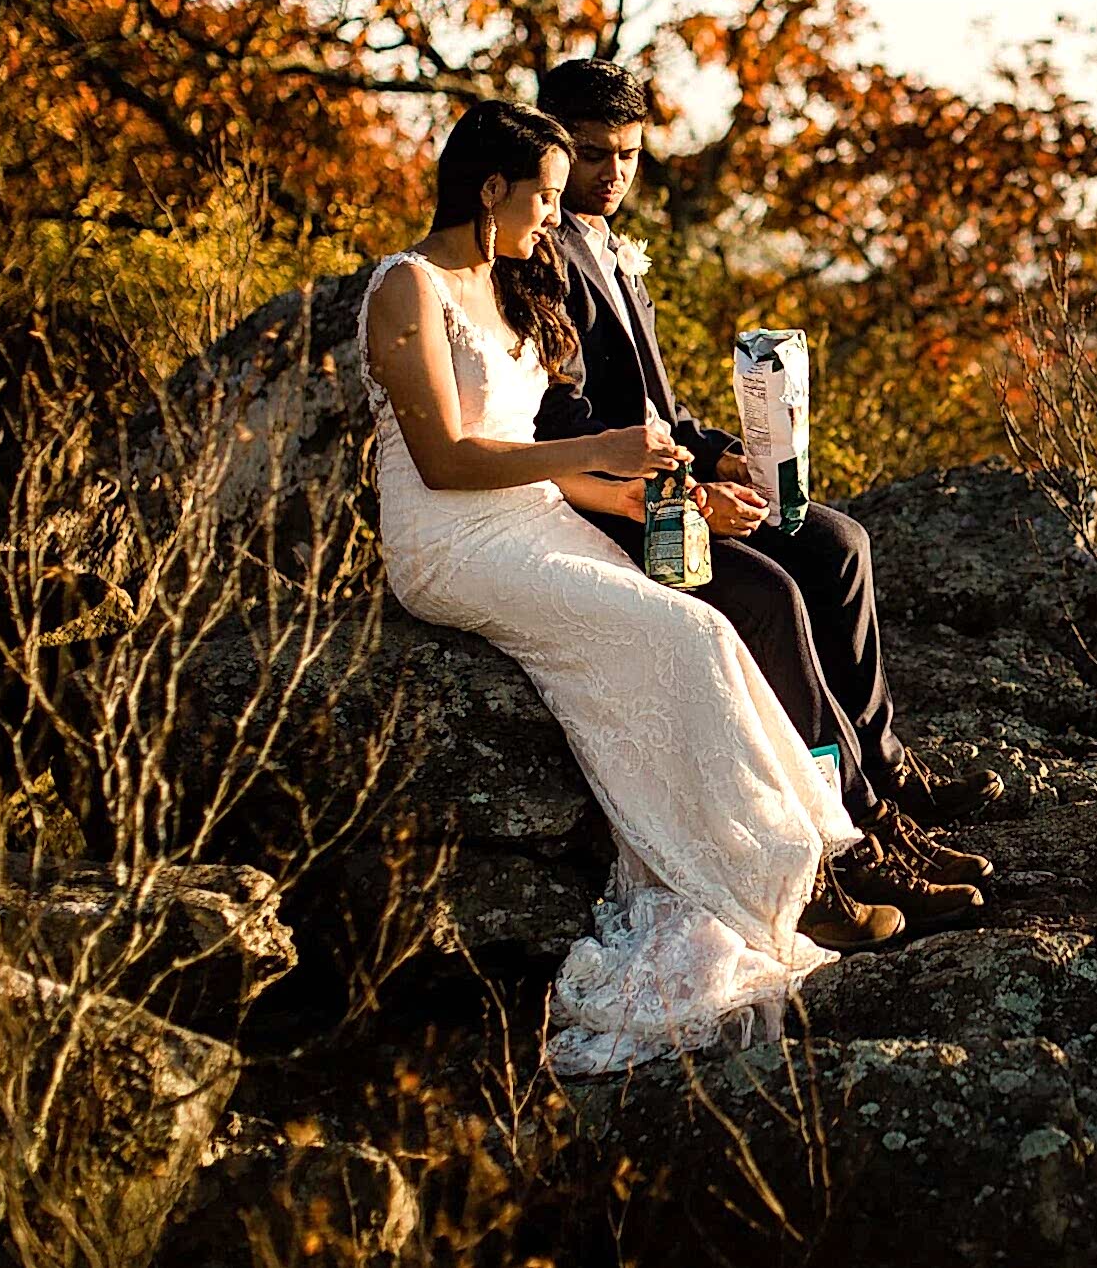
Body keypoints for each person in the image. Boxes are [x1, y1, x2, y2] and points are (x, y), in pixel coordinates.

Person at [357, 100, 902, 1076]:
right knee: (681, 642)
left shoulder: (499, 281)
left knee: (703, 628)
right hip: (447, 541)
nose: (552, 219)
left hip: (527, 517)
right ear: (490, 189)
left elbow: (541, 466)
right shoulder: (408, 285)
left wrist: (665, 492)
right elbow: (442, 460)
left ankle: (799, 864)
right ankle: (777, 878)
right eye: (545, 196)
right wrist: (602, 444)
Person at [529, 59, 1007, 923]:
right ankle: (862, 828)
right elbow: (566, 428)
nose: (612, 176)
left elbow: (656, 408)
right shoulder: (543, 255)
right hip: (608, 507)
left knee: (835, 542)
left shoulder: (611, 249)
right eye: (594, 154)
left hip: (675, 478)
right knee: (775, 595)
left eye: (630, 156)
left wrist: (720, 457)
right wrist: (685, 490)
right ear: (554, 144)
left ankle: (887, 763)